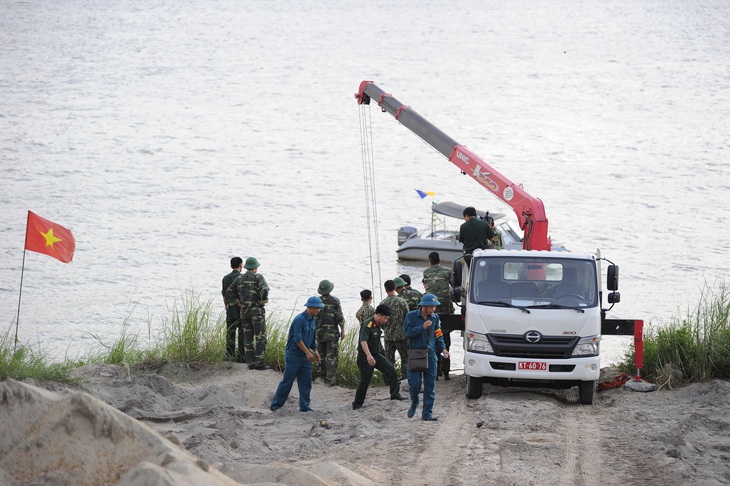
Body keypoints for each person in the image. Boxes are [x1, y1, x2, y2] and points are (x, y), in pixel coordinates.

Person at [270, 296, 324, 412]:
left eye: (319, 308)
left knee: (306, 382)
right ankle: (275, 406)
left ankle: (304, 406)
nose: (318, 310)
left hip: (305, 357)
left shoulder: (313, 319)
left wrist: (315, 352)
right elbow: (297, 339)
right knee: (287, 381)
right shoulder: (299, 319)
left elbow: (312, 339)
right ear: (309, 307)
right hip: (293, 355)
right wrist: (307, 353)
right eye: (317, 308)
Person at [404, 293, 450, 421]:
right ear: (423, 306)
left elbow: (438, 335)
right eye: (430, 307)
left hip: (430, 355)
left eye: (434, 307)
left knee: (430, 386)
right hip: (415, 354)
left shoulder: (435, 318)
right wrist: (422, 327)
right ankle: (414, 402)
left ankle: (427, 413)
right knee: (414, 384)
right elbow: (408, 333)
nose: (433, 309)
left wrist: (444, 349)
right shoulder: (411, 316)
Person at [352, 304, 407, 410]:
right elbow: (363, 341)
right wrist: (368, 356)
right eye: (385, 318)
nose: (386, 321)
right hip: (365, 357)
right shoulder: (368, 324)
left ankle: (395, 394)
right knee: (365, 380)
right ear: (378, 315)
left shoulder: (377, 325)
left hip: (376, 355)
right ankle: (357, 404)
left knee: (390, 368)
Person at [226, 257, 269, 370]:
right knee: (260, 337)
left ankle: (250, 363)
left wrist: (238, 303)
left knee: (247, 337)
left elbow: (229, 292)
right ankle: (260, 362)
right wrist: (263, 301)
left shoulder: (240, 278)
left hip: (244, 312)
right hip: (256, 312)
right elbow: (265, 289)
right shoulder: (258, 277)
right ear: (255, 268)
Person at [422, 252, 454, 380]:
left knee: (432, 339)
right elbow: (454, 286)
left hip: (431, 309)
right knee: (445, 339)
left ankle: (435, 373)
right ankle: (446, 372)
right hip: (445, 309)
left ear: (430, 261)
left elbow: (426, 286)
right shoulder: (447, 271)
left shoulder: (426, 272)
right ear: (439, 260)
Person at [315, 279, 345, 385]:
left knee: (320, 355)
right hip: (332, 334)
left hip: (319, 333)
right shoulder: (335, 301)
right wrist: (342, 330)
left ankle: (320, 377)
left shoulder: (316, 301)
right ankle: (330, 379)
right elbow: (339, 317)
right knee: (331, 356)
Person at [379, 280, 410, 380]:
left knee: (389, 360)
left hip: (388, 336)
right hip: (402, 336)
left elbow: (380, 321)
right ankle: (405, 379)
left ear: (385, 289)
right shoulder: (402, 302)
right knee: (405, 359)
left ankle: (390, 380)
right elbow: (407, 318)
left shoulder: (382, 303)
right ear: (395, 288)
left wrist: (386, 328)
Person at [222, 256, 244, 362]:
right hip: (240, 309)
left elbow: (225, 295)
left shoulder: (225, 278)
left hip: (230, 309)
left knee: (230, 332)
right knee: (242, 332)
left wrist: (226, 306)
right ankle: (241, 356)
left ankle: (229, 355)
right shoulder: (242, 277)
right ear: (241, 265)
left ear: (231, 266)